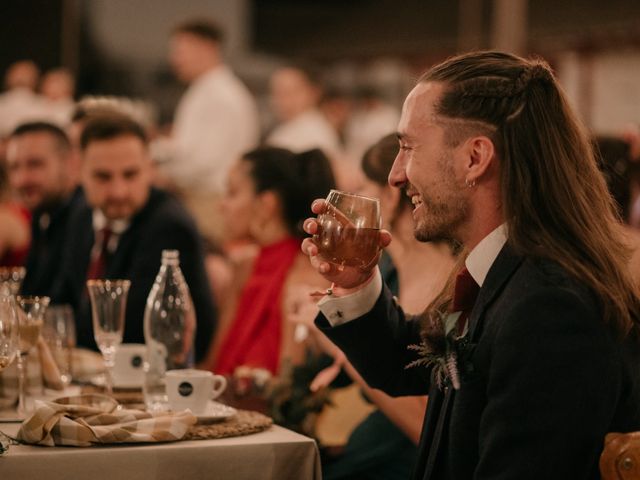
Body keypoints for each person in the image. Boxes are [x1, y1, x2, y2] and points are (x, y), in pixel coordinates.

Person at [302, 51, 640, 479]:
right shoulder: (505, 270)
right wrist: (357, 285)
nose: (395, 175)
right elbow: (413, 362)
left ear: (475, 158)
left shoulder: (550, 308)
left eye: (408, 147)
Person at [53, 113, 216, 363]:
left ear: (150, 169)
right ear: (79, 170)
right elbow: (60, 302)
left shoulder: (169, 227)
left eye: (130, 175)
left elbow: (130, 330)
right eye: (103, 177)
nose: (119, 191)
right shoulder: (81, 215)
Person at [203, 147, 335, 378]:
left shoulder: (303, 277)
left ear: (266, 205)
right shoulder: (246, 265)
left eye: (232, 193)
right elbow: (214, 364)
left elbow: (289, 388)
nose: (221, 205)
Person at [163, 18, 260, 244]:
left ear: (206, 48)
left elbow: (204, 161)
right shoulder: (205, 90)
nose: (175, 59)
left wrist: (163, 173)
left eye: (181, 51)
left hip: (212, 201)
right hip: (201, 197)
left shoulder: (222, 95)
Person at [5, 122, 84, 295]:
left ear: (70, 163)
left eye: (35, 164)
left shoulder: (85, 217)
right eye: (14, 167)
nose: (21, 180)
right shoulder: (43, 215)